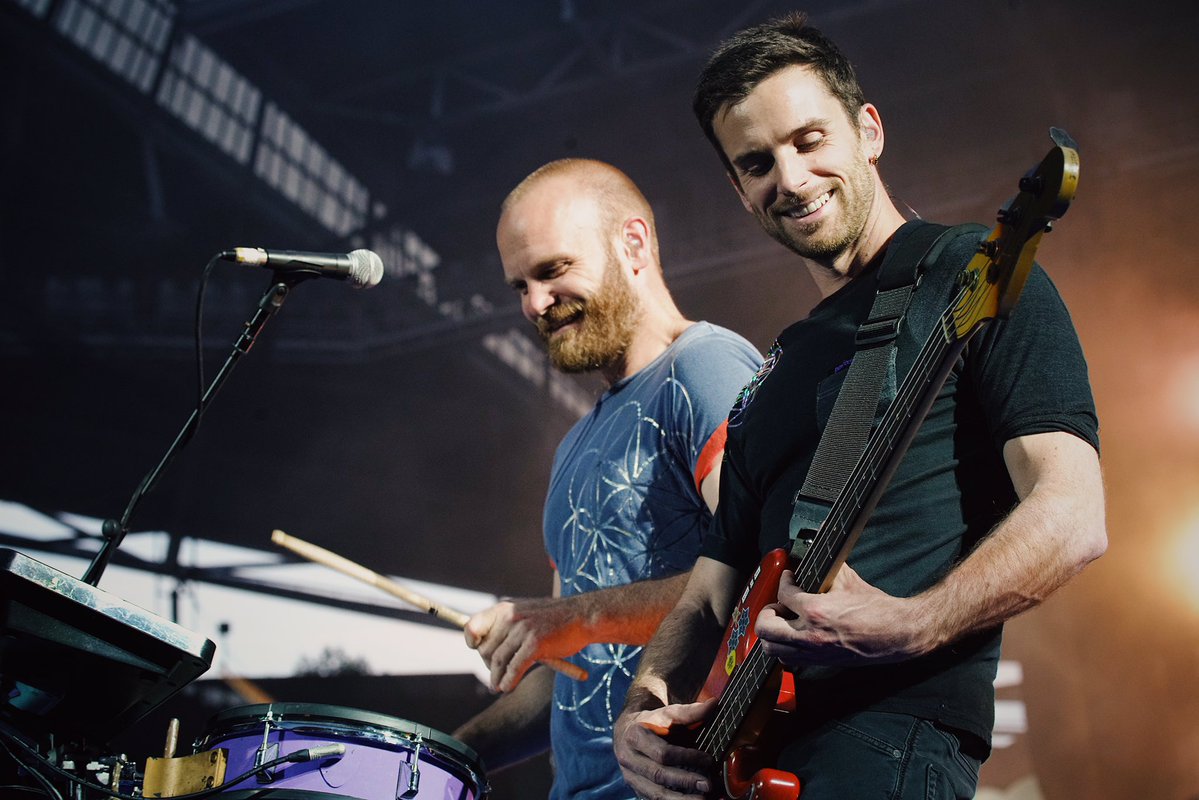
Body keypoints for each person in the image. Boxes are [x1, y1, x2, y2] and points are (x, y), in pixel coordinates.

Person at [612, 13, 1107, 800]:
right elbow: (709, 592)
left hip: (891, 744)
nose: (792, 177)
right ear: (739, 193)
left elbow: (1075, 514)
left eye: (809, 141)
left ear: (867, 131)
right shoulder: (771, 373)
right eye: (757, 162)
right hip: (756, 760)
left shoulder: (965, 272)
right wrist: (645, 702)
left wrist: (913, 624)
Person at [452, 158, 762, 800]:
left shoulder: (704, 370)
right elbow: (577, 673)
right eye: (519, 285)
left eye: (553, 270)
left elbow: (764, 573)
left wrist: (577, 615)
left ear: (634, 244)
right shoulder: (572, 448)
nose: (534, 304)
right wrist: (444, 756)